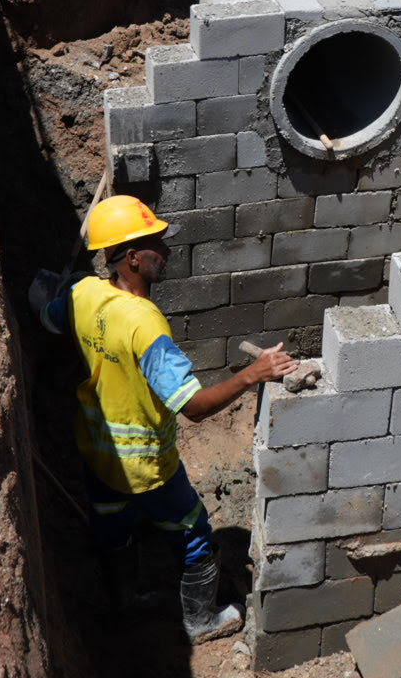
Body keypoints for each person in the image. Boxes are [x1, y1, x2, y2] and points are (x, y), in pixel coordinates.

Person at [36, 194, 298, 642]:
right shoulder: (145, 325)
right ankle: (199, 621)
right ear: (133, 258)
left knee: (113, 530)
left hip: (98, 456)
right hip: (146, 467)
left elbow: (48, 316)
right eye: (158, 243)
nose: (169, 251)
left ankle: (126, 605)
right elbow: (193, 408)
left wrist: (41, 288)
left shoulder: (83, 293)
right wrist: (254, 373)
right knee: (195, 535)